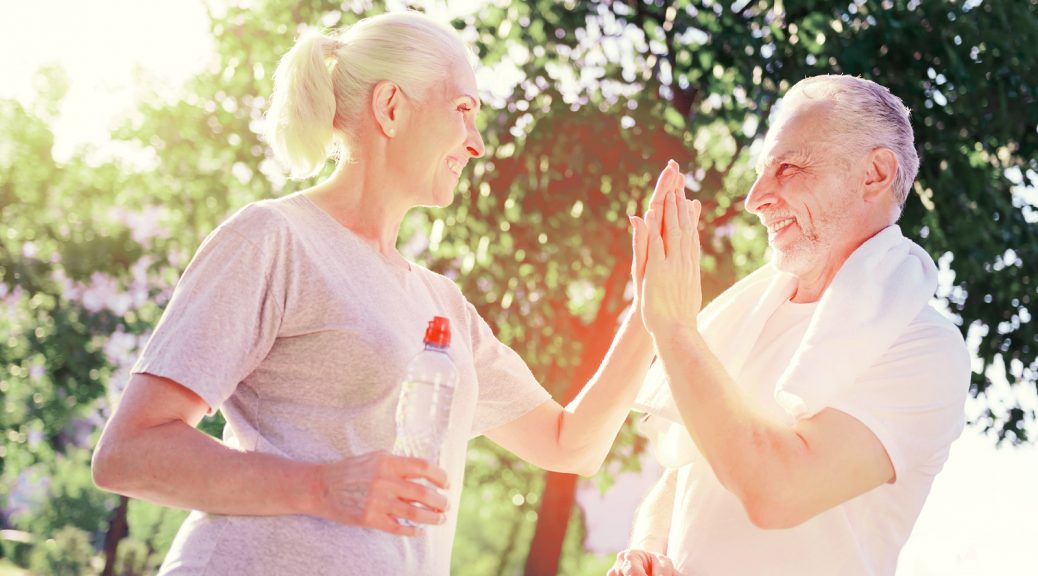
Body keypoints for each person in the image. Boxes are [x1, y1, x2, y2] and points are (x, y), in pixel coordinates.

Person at [89, 12, 698, 576]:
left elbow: (571, 444)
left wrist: (652, 316)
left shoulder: (441, 305)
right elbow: (130, 452)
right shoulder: (274, 239)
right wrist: (324, 487)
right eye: (462, 109)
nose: (477, 142)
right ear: (389, 107)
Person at [609, 75, 970, 576]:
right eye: (761, 172)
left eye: (788, 167)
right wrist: (649, 551)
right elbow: (683, 475)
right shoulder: (744, 317)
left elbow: (778, 491)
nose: (755, 198)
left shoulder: (925, 348)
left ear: (874, 174)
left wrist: (674, 330)